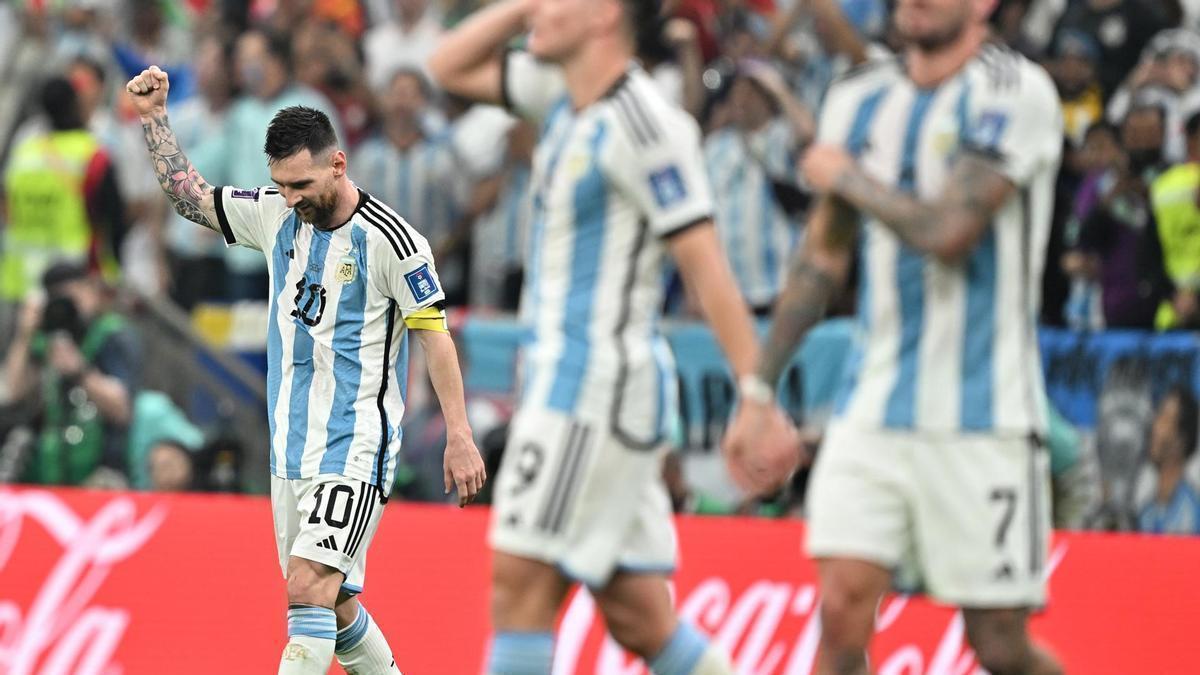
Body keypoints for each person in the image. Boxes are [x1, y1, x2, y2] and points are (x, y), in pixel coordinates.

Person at [429, 0, 797, 672]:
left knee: (519, 584)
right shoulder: (561, 96)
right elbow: (446, 65)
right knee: (637, 614)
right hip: (575, 385)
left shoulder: (647, 122)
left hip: (592, 387)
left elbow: (704, 263)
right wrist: (521, 11)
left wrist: (756, 391)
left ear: (604, 15)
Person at [725, 0, 1067, 672]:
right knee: (840, 608)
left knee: (997, 642)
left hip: (985, 418)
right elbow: (823, 257)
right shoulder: (858, 98)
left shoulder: (1014, 90)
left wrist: (845, 176)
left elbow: (949, 232)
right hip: (871, 409)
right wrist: (758, 388)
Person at [124, 66, 486, 674]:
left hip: (353, 445)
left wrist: (459, 432)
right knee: (336, 607)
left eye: (301, 184)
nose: (290, 198)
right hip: (289, 451)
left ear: (338, 165)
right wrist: (155, 117)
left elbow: (435, 338)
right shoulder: (275, 214)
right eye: (281, 185)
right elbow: (191, 197)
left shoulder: (395, 242)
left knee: (308, 586)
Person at [2, 262, 139, 487]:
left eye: (74, 294)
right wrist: (24, 334)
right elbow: (14, 391)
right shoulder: (47, 338)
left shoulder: (112, 334)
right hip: (49, 466)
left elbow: (122, 409)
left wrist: (80, 371)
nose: (69, 305)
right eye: (59, 298)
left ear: (91, 291)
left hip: (103, 471)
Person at [1, 76, 126, 303]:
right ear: (75, 104)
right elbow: (114, 220)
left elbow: (6, 206)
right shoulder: (93, 156)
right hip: (72, 283)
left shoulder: (23, 153)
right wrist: (114, 269)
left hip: (18, 281)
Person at [704, 61, 812, 315]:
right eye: (737, 92)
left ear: (767, 99)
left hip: (779, 289)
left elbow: (807, 133)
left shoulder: (781, 137)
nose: (742, 99)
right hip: (729, 293)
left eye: (751, 92)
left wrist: (776, 85)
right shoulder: (715, 146)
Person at [1149, 110, 1200, 330]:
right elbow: (1149, 250)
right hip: (1178, 313)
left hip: (1174, 307)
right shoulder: (1164, 185)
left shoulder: (1163, 184)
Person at [1138, 385, 1200, 535]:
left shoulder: (1188, 514)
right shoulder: (1147, 512)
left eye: (1164, 419)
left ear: (1181, 440)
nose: (1155, 428)